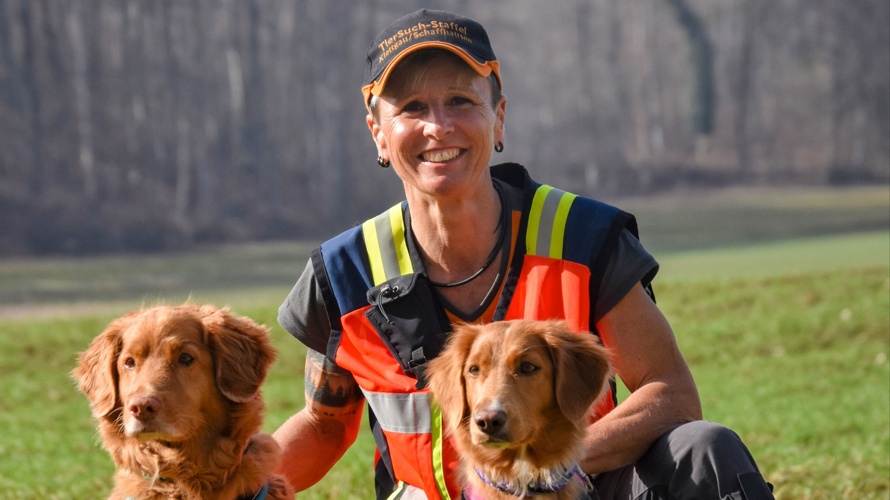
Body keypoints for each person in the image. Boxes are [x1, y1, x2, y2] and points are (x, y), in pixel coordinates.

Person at [274, 8, 774, 500]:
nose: (438, 126)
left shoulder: (583, 237)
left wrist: (549, 470)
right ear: (378, 134)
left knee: (705, 451)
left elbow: (670, 392)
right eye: (411, 108)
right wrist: (239, 485)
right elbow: (322, 425)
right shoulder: (343, 274)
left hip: (579, 490)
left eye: (460, 100)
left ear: (498, 119)